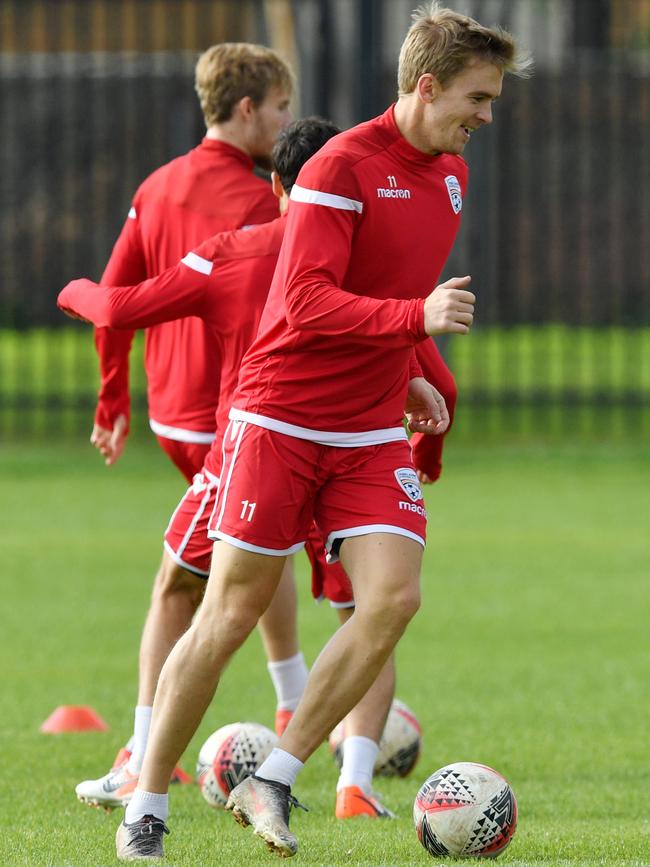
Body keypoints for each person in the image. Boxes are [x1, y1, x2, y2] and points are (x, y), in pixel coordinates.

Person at [111, 2, 531, 858]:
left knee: (393, 600)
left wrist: (410, 366)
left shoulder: (449, 173)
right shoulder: (342, 165)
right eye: (477, 98)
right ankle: (145, 806)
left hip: (369, 426)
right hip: (282, 416)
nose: (487, 115)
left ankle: (275, 777)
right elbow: (302, 300)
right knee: (229, 612)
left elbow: (378, 284)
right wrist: (417, 316)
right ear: (428, 86)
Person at [59, 117, 456, 820]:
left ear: (275, 184)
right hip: (329, 447)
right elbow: (432, 372)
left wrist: (72, 291)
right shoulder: (363, 258)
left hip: (255, 449)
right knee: (362, 609)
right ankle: (352, 778)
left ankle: (148, 765)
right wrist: (425, 451)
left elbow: (121, 305)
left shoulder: (237, 251)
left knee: (192, 592)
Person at [73, 42, 307, 804]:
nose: (284, 120)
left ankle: (269, 708)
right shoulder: (257, 201)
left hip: (173, 408)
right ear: (248, 110)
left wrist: (113, 397)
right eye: (279, 108)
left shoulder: (156, 184)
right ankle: (261, 711)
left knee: (224, 562)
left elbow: (116, 297)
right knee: (222, 568)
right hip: (238, 412)